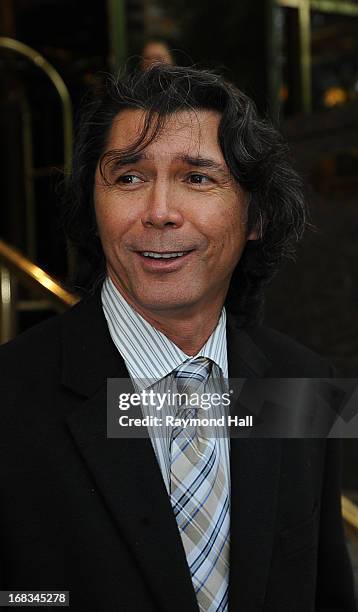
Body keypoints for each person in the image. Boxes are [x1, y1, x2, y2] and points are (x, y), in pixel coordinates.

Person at [0, 65, 356, 612]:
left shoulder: (304, 382)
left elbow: (324, 587)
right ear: (93, 208)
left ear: (256, 215)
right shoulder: (12, 396)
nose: (159, 212)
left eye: (197, 177)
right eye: (129, 178)